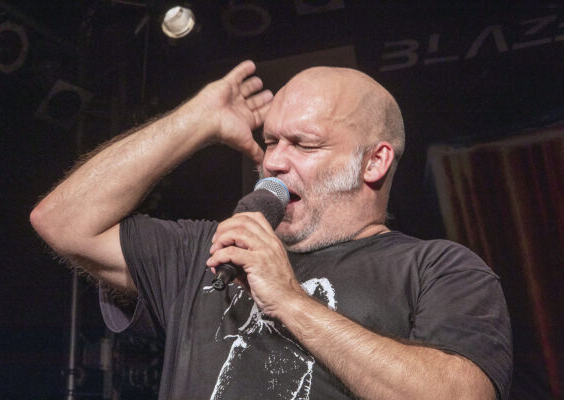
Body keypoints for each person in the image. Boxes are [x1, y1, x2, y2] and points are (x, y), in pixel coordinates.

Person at [31, 60, 512, 399]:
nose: (274, 162)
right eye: (271, 141)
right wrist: (195, 121)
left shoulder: (438, 269)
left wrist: (289, 300)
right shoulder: (210, 250)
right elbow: (62, 220)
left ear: (374, 162)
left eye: (304, 144)